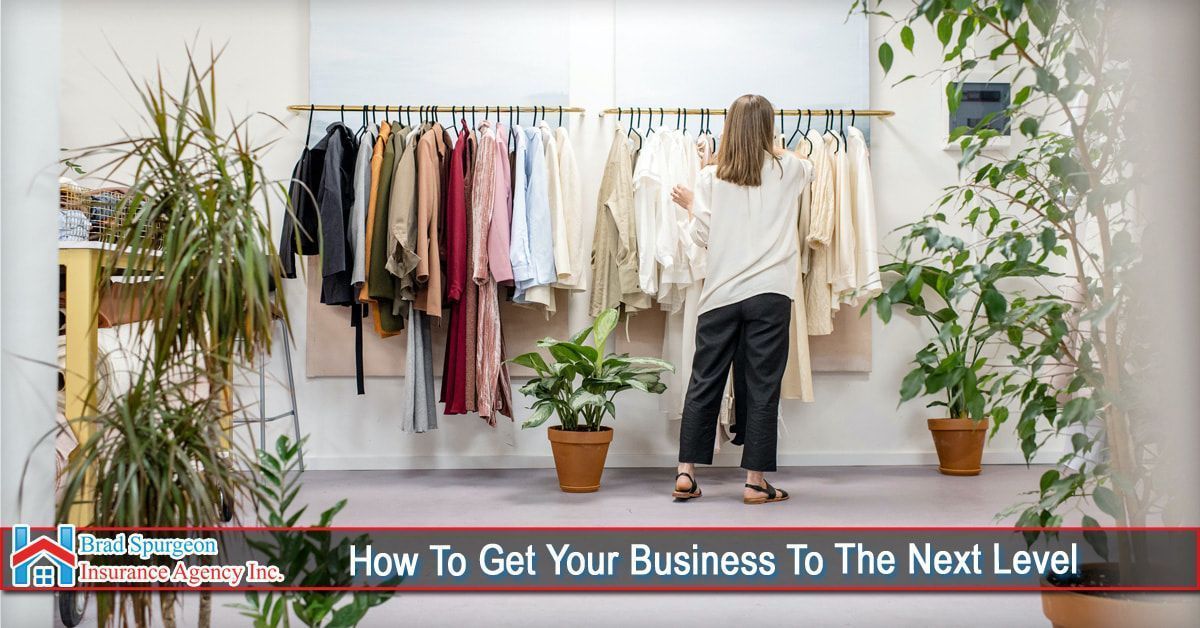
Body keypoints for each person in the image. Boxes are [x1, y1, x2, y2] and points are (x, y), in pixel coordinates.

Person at [670, 94, 811, 505]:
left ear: (727, 127)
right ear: (769, 128)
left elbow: (703, 237)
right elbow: (809, 167)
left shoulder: (710, 178)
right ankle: (754, 483)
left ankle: (685, 474)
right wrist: (771, 145)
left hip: (720, 294)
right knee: (762, 386)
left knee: (704, 381)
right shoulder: (789, 169)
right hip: (770, 292)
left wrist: (695, 206)